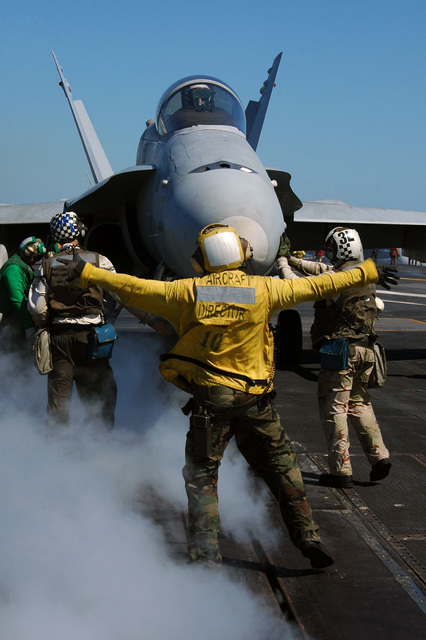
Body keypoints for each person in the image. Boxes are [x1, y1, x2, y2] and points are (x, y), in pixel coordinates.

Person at [58, 223, 398, 568]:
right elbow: (320, 284)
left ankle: (205, 554)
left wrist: (88, 272)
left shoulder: (188, 292)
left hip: (212, 401)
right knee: (284, 469)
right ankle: (308, 535)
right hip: (256, 402)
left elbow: (133, 287)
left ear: (204, 258)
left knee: (203, 476)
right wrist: (366, 270)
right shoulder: (264, 290)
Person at [28, 211, 170, 430]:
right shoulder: (99, 261)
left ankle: (56, 453)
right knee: (100, 398)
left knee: (59, 402)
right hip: (92, 341)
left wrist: (49, 322)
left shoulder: (46, 266)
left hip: (59, 342)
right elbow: (122, 294)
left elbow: (37, 309)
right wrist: (151, 320)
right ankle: (101, 446)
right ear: (79, 233)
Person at [307, 227, 393, 488]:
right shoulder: (366, 277)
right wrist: (291, 260)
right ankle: (379, 456)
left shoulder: (339, 279)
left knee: (335, 408)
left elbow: (316, 281)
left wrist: (283, 263)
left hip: (343, 353)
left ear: (341, 249)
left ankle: (340, 471)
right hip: (367, 350)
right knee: (359, 403)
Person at [0, 237, 46, 352]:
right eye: (33, 257)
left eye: (37, 258)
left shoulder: (22, 266)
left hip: (20, 320)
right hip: (14, 323)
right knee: (15, 355)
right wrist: (28, 327)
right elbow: (18, 301)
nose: (33, 260)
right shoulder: (14, 270)